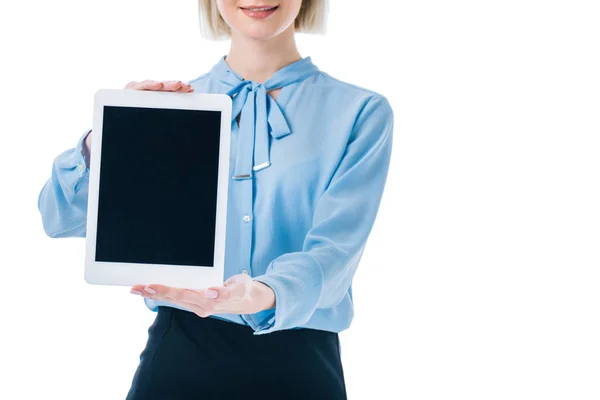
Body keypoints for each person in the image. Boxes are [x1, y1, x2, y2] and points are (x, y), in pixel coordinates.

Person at [37, 0, 394, 398]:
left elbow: (336, 253)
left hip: (301, 361)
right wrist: (106, 138)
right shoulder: (168, 107)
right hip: (179, 354)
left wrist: (264, 294)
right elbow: (59, 220)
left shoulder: (360, 111)